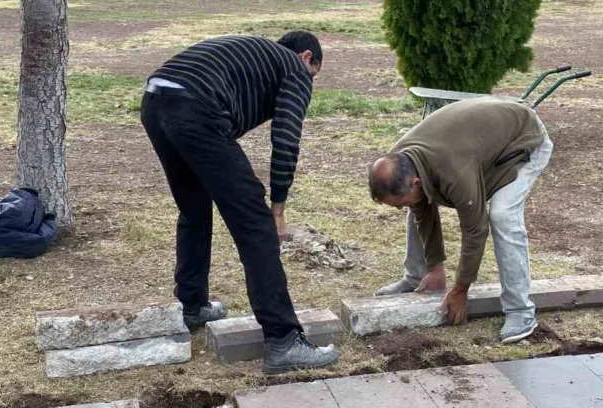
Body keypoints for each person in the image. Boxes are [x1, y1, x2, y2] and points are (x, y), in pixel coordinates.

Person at [141, 33, 339, 374]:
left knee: (194, 210)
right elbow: (286, 137)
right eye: (314, 76)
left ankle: (192, 306)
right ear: (307, 57)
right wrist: (277, 209)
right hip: (194, 105)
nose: (310, 84)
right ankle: (283, 340)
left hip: (155, 98)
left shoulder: (255, 58)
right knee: (256, 224)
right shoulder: (295, 68)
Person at [368, 97, 553, 344]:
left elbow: (476, 230)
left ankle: (520, 310)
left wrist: (461, 289)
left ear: (415, 182)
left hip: (522, 138)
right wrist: (435, 268)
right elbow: (422, 207)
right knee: (416, 205)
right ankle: (417, 277)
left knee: (502, 215)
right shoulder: (402, 160)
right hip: (481, 141)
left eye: (399, 203)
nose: (400, 208)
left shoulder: (454, 170)